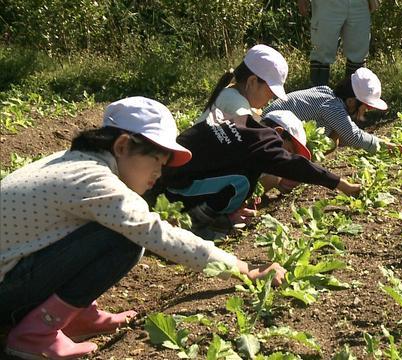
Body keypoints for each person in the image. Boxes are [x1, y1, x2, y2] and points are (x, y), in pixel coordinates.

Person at [0, 97, 286, 360]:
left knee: (110, 230)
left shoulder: (70, 161)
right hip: (6, 289)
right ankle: (34, 334)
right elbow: (156, 233)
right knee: (124, 240)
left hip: (12, 272)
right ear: (123, 146)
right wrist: (245, 268)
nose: (159, 174)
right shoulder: (95, 181)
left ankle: (77, 316)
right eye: (156, 161)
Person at [150, 105, 361, 238]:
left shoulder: (241, 122)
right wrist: (341, 184)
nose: (285, 155)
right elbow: (298, 166)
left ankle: (199, 213)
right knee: (244, 182)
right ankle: (197, 224)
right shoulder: (266, 141)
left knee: (246, 172)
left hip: (160, 175)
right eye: (289, 148)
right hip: (174, 189)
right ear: (280, 132)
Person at [264, 68, 402, 154]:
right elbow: (353, 136)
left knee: (333, 139)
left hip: (272, 128)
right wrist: (385, 146)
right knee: (333, 140)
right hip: (271, 133)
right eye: (366, 107)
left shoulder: (327, 95)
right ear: (351, 101)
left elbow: (345, 136)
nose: (366, 111)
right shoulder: (332, 106)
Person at [198, 44, 289, 122]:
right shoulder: (237, 107)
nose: (271, 97)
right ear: (252, 81)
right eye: (270, 91)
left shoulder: (228, 94)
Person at [297, 0, 375, 85]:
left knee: (358, 55)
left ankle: (353, 95)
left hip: (360, 3)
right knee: (321, 53)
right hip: (327, 4)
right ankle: (318, 96)